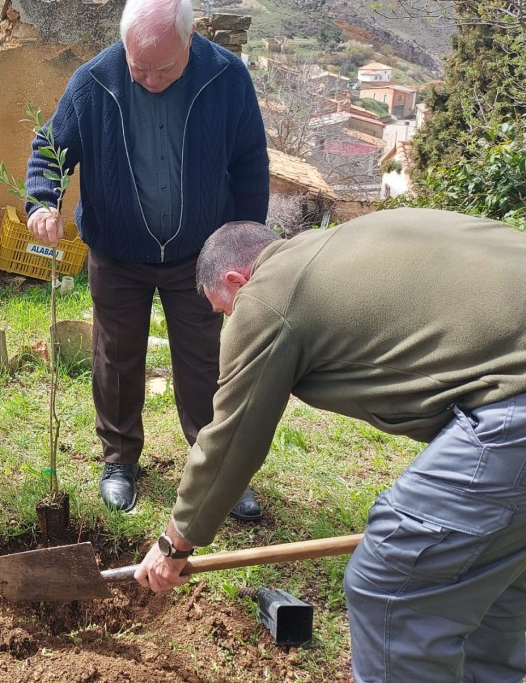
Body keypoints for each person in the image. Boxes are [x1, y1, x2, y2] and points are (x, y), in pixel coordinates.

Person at [136, 208, 526, 682]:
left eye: (226, 312)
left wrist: (174, 542)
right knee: (491, 577)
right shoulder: (347, 245)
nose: (231, 325)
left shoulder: (268, 294)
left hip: (513, 410)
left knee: (390, 588)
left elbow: (231, 437)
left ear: (239, 280)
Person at [24, 0, 269, 516]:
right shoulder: (94, 81)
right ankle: (119, 460)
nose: (151, 80)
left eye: (165, 69)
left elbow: (250, 165)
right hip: (118, 251)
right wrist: (42, 202)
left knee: (206, 361)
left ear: (190, 41)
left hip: (199, 256)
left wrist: (246, 247)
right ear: (124, 46)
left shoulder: (227, 77)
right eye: (140, 68)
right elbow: (49, 149)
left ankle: (218, 469)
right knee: (116, 356)